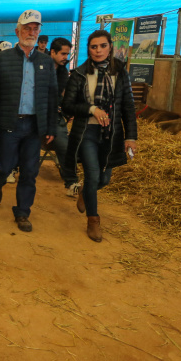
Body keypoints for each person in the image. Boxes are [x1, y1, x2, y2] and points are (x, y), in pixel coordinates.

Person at [0, 9, 59, 233]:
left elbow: (53, 96)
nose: (32, 32)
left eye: (36, 28)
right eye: (27, 28)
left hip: (34, 126)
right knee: (5, 165)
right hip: (9, 124)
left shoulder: (45, 62)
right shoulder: (2, 59)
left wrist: (51, 126)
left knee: (29, 171)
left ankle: (23, 212)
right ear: (17, 31)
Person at [61, 30, 138, 243]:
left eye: (102, 46)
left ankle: (85, 193)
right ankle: (93, 220)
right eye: (93, 47)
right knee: (93, 174)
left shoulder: (120, 72)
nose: (98, 50)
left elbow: (128, 106)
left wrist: (131, 137)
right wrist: (92, 109)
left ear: (110, 47)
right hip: (87, 132)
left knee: (104, 179)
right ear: (88, 49)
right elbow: (67, 105)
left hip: (111, 133)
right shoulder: (79, 73)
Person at [48, 37, 80, 195]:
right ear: (52, 52)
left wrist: (69, 111)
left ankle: (71, 182)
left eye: (67, 54)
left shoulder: (62, 71)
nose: (65, 57)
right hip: (35, 114)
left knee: (65, 146)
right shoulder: (39, 67)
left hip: (55, 116)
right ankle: (12, 168)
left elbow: (63, 95)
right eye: (63, 54)